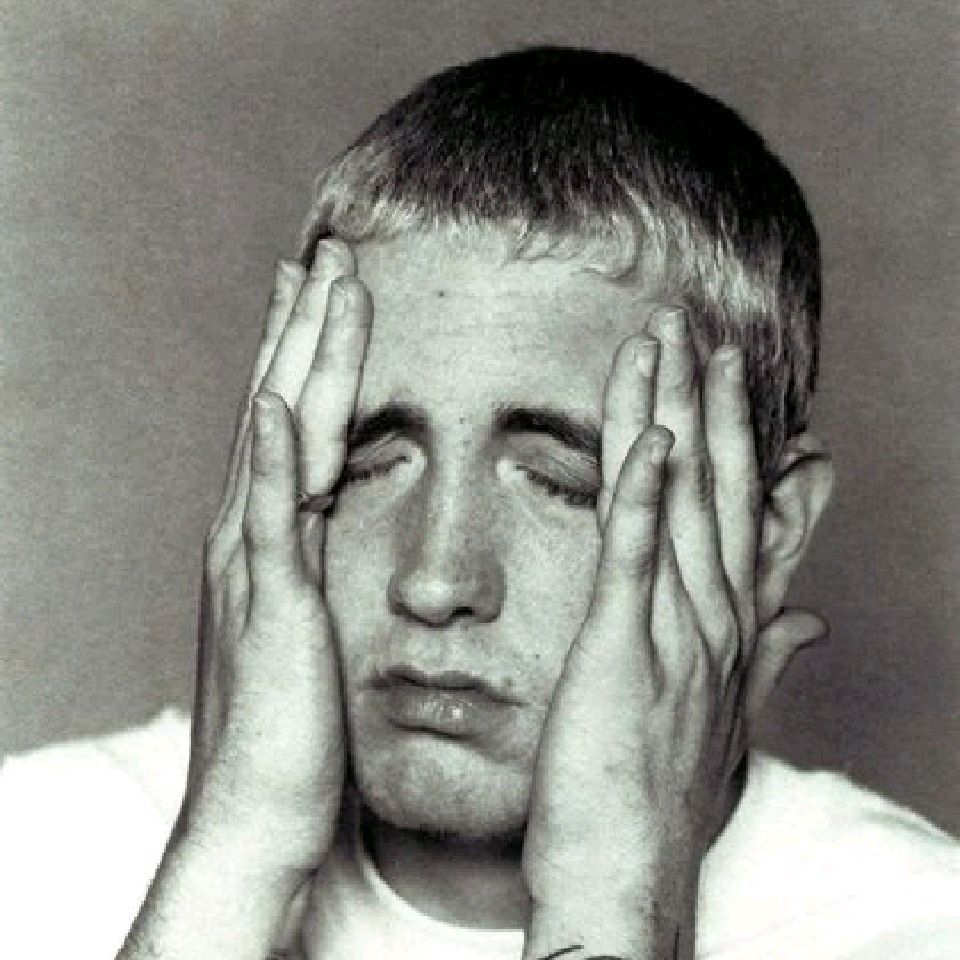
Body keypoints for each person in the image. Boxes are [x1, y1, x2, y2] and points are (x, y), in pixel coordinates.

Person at [2, 46, 958, 960]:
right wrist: (231, 859)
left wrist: (611, 895)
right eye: (367, 464)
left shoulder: (915, 929)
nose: (434, 580)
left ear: (770, 533)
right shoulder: (36, 849)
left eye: (561, 482)